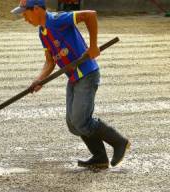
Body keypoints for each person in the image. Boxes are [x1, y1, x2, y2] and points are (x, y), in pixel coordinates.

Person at [11, 0, 131, 169]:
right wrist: (39, 81)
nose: (24, 18)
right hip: (74, 77)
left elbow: (90, 15)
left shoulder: (57, 20)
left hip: (87, 73)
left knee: (80, 121)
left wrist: (94, 45)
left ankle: (119, 141)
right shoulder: (43, 32)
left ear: (37, 9)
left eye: (25, 13)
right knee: (74, 125)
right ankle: (100, 157)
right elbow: (49, 62)